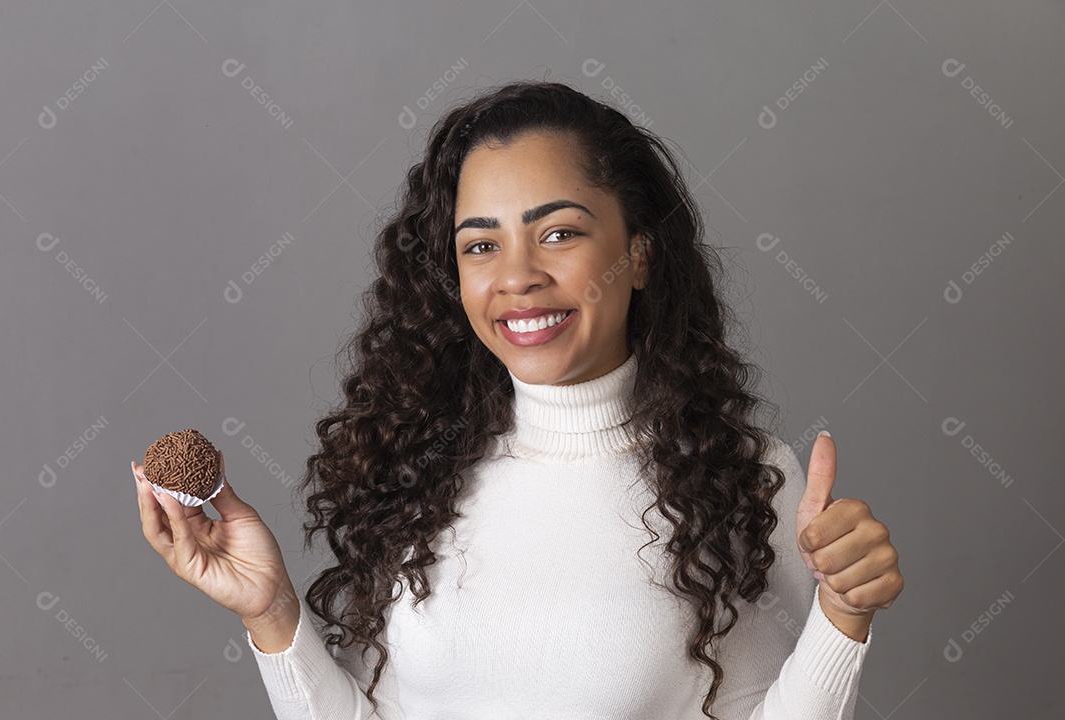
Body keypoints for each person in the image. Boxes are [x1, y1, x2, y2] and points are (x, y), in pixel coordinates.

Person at [133, 79, 903, 720]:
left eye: (559, 233)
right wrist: (269, 614)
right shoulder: (417, 474)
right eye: (480, 245)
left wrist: (844, 617)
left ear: (637, 254)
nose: (517, 276)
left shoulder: (739, 480)